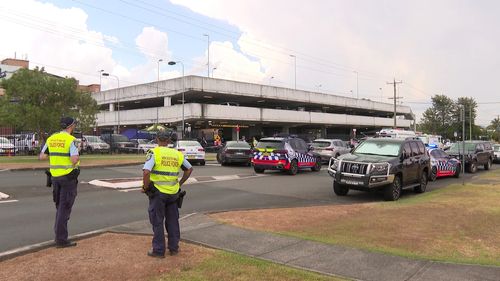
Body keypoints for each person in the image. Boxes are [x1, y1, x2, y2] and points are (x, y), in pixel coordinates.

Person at [142, 130, 193, 258]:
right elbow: (189, 169)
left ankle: (158, 251)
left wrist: (145, 187)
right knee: (173, 221)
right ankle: (174, 248)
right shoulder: (177, 154)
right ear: (169, 141)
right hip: (174, 193)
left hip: (158, 193)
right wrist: (179, 183)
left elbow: (146, 172)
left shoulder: (154, 152)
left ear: (157, 140)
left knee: (157, 221)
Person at [39, 117, 80, 248]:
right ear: (71, 126)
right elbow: (74, 160)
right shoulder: (71, 140)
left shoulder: (51, 138)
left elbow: (42, 156)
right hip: (68, 177)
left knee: (60, 207)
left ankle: (59, 236)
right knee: (64, 208)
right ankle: (61, 239)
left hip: (55, 178)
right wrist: (77, 155)